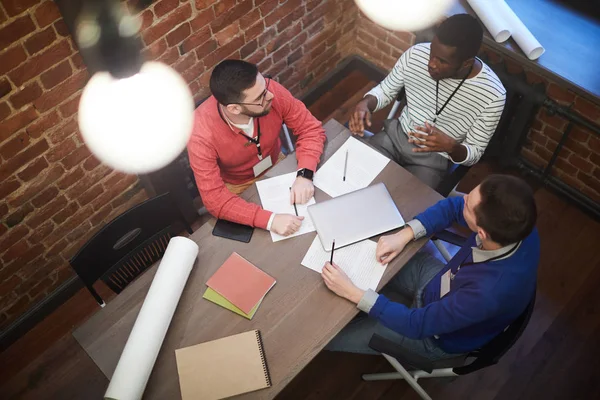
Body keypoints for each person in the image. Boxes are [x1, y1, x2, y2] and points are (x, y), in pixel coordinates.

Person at [321, 174, 539, 361]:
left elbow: (417, 325)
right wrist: (404, 235)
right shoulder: (517, 227)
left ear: (481, 233)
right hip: (440, 284)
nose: (462, 199)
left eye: (468, 204)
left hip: (434, 338)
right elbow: (453, 207)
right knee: (369, 255)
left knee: (326, 338)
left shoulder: (487, 294)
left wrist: (353, 293)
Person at [350, 14, 506, 189]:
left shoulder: (492, 95)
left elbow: (474, 152)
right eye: (432, 52)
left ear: (465, 63)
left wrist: (452, 147)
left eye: (442, 61)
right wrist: (365, 104)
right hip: (396, 137)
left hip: (434, 159)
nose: (431, 63)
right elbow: (385, 90)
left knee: (405, 207)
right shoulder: (416, 55)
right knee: (355, 177)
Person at [188, 60, 326, 236]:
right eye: (259, 98)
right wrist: (270, 221)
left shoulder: (269, 90)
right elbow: (215, 200)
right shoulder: (199, 133)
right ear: (234, 108)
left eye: (265, 85)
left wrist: (305, 174)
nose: (270, 96)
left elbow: (310, 129)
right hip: (238, 186)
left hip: (278, 163)